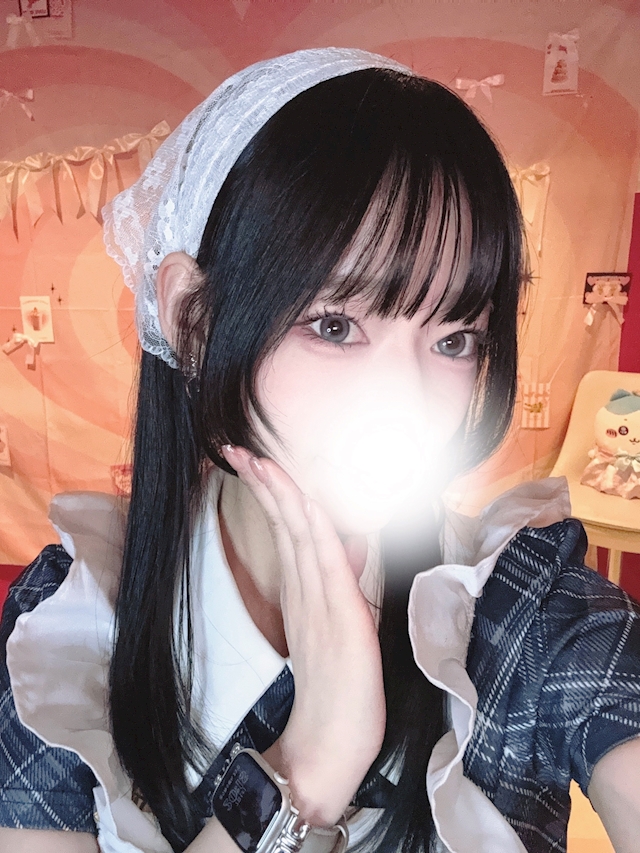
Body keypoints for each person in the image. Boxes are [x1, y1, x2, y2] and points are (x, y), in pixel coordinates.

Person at [0, 47, 639, 853]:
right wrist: (308, 767)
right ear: (194, 322)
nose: (405, 401)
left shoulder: (526, 610)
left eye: (454, 338)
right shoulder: (71, 619)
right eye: (335, 326)